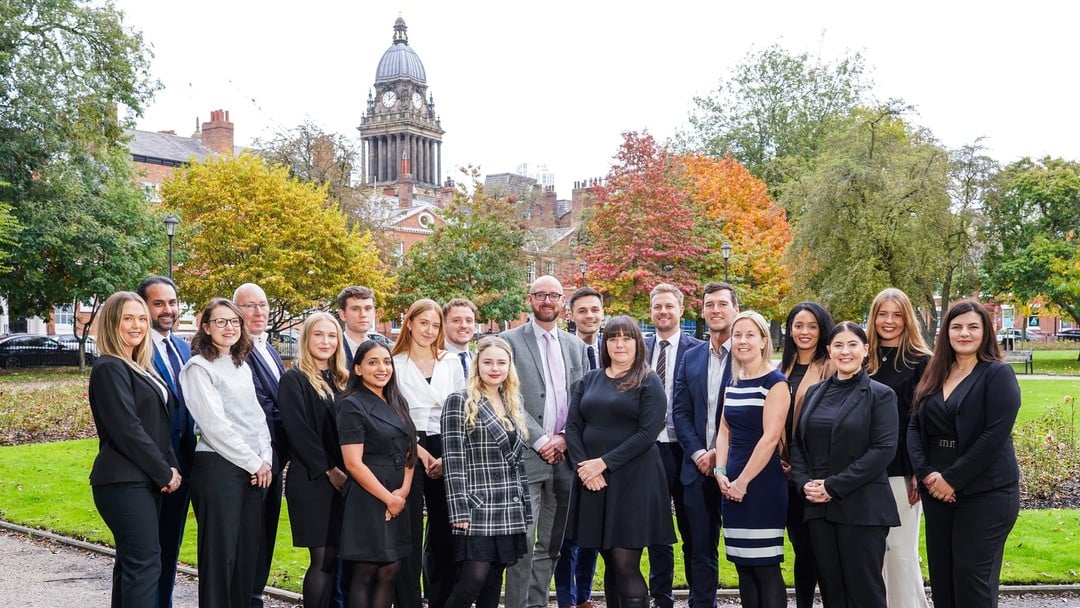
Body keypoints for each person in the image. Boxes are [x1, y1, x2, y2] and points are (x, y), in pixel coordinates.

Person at [908, 299, 1021, 608]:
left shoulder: (998, 374)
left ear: (986, 332)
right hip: (937, 492)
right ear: (946, 332)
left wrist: (952, 480)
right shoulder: (935, 372)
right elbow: (914, 426)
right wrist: (927, 475)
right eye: (956, 327)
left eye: (973, 327)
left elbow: (994, 436)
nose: (964, 333)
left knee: (972, 581)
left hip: (986, 493)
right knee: (943, 581)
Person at [564, 316, 675, 608]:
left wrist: (603, 463)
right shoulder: (589, 379)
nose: (619, 344)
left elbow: (648, 433)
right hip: (593, 481)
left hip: (633, 482)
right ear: (605, 344)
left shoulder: (649, 381)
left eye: (627, 338)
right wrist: (585, 469)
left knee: (625, 563)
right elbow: (573, 428)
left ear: (637, 343)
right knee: (610, 562)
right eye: (613, 338)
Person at [789, 322, 900, 608]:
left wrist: (833, 486)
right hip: (819, 509)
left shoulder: (880, 394)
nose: (845, 351)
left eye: (852, 344)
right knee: (832, 592)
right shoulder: (814, 392)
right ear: (829, 350)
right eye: (838, 345)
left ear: (866, 350)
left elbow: (883, 450)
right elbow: (798, 443)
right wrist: (804, 483)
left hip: (861, 508)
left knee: (865, 593)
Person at [88, 291, 182, 607]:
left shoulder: (140, 367)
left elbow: (159, 424)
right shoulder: (109, 367)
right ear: (112, 323)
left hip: (144, 480)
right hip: (123, 481)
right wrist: (163, 471)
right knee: (145, 564)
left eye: (141, 318)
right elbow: (127, 429)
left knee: (132, 566)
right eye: (127, 318)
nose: (137, 325)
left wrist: (171, 465)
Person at [502, 275, 589, 608]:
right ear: (530, 299)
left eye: (554, 295)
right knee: (523, 541)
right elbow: (508, 397)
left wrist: (564, 437)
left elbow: (583, 399)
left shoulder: (576, 347)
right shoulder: (508, 341)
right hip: (526, 456)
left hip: (565, 460)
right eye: (540, 295)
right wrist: (540, 440)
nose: (547, 301)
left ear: (563, 301)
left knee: (552, 543)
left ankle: (537, 603)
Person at [180, 298, 273, 608]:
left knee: (246, 558)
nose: (229, 327)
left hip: (252, 470)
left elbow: (256, 416)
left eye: (234, 321)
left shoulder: (240, 364)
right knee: (220, 558)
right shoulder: (197, 368)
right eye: (220, 322)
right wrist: (253, 462)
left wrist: (266, 458)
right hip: (218, 468)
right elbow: (214, 426)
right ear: (206, 328)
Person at [441, 337, 532, 608]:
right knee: (472, 580)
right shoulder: (460, 401)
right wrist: (459, 510)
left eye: (501, 363)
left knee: (493, 581)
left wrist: (524, 505)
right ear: (477, 365)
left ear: (509, 366)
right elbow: (453, 460)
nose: (495, 368)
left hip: (509, 505)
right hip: (477, 506)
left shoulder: (511, 401)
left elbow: (517, 461)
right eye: (488, 362)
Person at [391, 299, 466, 608]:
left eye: (435, 325)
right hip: (407, 445)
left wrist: (450, 454)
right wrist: (419, 452)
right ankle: (407, 601)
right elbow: (391, 414)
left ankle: (441, 600)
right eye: (424, 323)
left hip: (446, 444)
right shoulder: (394, 363)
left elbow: (462, 409)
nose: (429, 330)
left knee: (445, 531)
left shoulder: (451, 361)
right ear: (409, 323)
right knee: (408, 530)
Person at [713, 311, 789, 608]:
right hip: (730, 483)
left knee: (765, 566)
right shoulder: (733, 381)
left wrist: (742, 482)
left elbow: (770, 438)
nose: (742, 341)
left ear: (763, 341)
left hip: (761, 485)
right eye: (737, 335)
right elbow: (723, 431)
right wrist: (720, 471)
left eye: (749, 335)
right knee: (743, 565)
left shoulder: (775, 382)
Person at [671, 282, 738, 608]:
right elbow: (680, 411)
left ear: (735, 309)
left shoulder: (747, 353)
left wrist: (720, 455)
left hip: (738, 469)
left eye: (722, 304)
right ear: (702, 311)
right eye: (709, 304)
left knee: (746, 551)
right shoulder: (691, 357)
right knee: (699, 549)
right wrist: (700, 452)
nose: (715, 310)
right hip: (696, 469)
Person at [866, 288, 933, 608]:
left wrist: (919, 470)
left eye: (897, 315)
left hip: (901, 469)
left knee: (900, 552)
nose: (889, 321)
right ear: (873, 317)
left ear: (907, 319)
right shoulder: (862, 358)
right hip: (862, 471)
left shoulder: (921, 361)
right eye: (883, 314)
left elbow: (924, 420)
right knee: (872, 555)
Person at [337, 340, 418, 608]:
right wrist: (389, 499)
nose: (382, 368)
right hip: (369, 495)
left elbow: (410, 448)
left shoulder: (397, 400)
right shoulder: (351, 405)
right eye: (373, 362)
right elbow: (353, 463)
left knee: (390, 569)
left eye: (386, 362)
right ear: (358, 369)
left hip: (398, 493)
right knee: (367, 570)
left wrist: (403, 492)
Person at [279, 312, 349, 608]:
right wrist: (329, 469)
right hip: (313, 479)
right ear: (306, 338)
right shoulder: (294, 379)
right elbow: (298, 430)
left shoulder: (343, 380)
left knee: (336, 557)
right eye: (318, 334)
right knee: (323, 557)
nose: (325, 341)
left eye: (332, 335)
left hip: (345, 479)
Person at [136, 276, 195, 608]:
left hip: (184, 464)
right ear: (144, 307)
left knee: (170, 546)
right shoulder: (135, 349)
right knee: (143, 555)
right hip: (149, 465)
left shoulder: (184, 348)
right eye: (158, 303)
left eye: (172, 302)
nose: (167, 309)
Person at [645, 283, 702, 608]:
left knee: (693, 528)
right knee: (658, 532)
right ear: (651, 311)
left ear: (681, 310)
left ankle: (699, 596)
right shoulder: (640, 349)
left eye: (669, 306)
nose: (663, 311)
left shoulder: (698, 351)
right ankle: (661, 598)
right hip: (650, 450)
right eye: (658, 307)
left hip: (687, 450)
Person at [233, 282, 287, 608]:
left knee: (266, 534)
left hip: (276, 456)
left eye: (263, 305)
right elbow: (262, 407)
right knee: (250, 539)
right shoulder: (238, 352)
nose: (259, 312)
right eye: (250, 306)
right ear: (236, 311)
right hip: (254, 461)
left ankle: (255, 596)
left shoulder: (271, 351)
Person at [778, 302, 834, 608]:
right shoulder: (781, 368)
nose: (805, 332)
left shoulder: (830, 367)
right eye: (798, 325)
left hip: (817, 475)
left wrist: (801, 467)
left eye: (812, 326)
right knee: (801, 547)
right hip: (783, 473)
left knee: (820, 550)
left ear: (822, 330)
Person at [554, 286, 604, 608]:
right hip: (566, 451)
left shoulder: (612, 350)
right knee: (567, 533)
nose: (589, 316)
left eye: (594, 310)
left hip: (601, 454)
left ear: (602, 313)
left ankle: (585, 595)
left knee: (593, 532)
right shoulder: (560, 349)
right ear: (570, 314)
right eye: (582, 310)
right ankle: (567, 599)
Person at [338, 285, 393, 362]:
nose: (363, 314)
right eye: (355, 309)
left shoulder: (383, 352)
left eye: (368, 309)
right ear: (343, 314)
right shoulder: (334, 350)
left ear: (374, 313)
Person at [443, 298, 478, 378]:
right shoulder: (432, 360)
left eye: (469, 321)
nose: (464, 326)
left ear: (474, 326)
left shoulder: (478, 362)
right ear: (444, 325)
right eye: (456, 320)